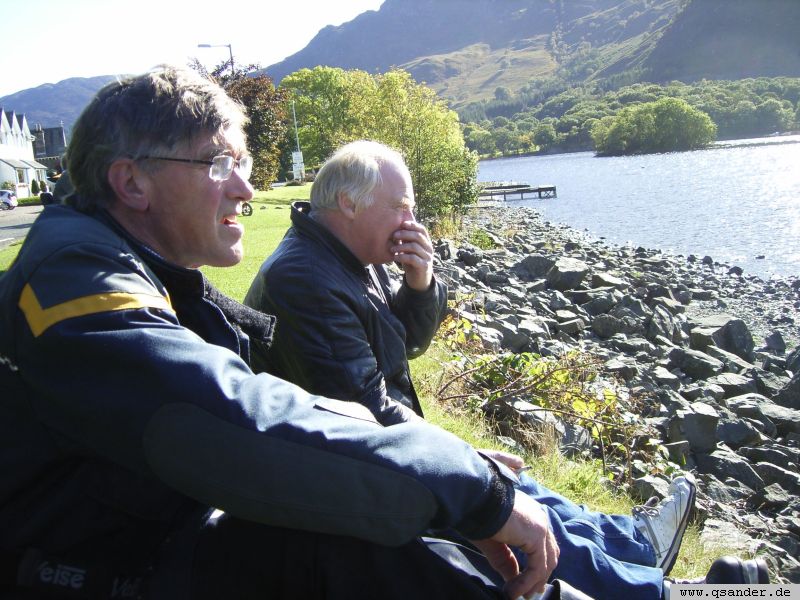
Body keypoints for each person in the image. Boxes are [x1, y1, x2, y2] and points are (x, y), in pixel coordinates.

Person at [0, 64, 597, 600]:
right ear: (132, 184)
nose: (245, 189)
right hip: (108, 566)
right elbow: (224, 415)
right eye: (218, 165)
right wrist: (465, 482)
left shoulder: (136, 266)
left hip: (157, 535)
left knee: (394, 539)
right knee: (384, 548)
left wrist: (428, 456)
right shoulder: (75, 282)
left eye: (243, 165)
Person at [244, 140, 770, 599]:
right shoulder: (305, 279)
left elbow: (409, 345)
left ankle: (636, 546)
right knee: (504, 503)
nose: (412, 220)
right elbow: (366, 410)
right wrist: (459, 460)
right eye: (401, 206)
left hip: (374, 452)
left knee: (515, 483)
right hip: (348, 479)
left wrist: (421, 284)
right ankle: (670, 592)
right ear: (348, 203)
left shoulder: (351, 258)